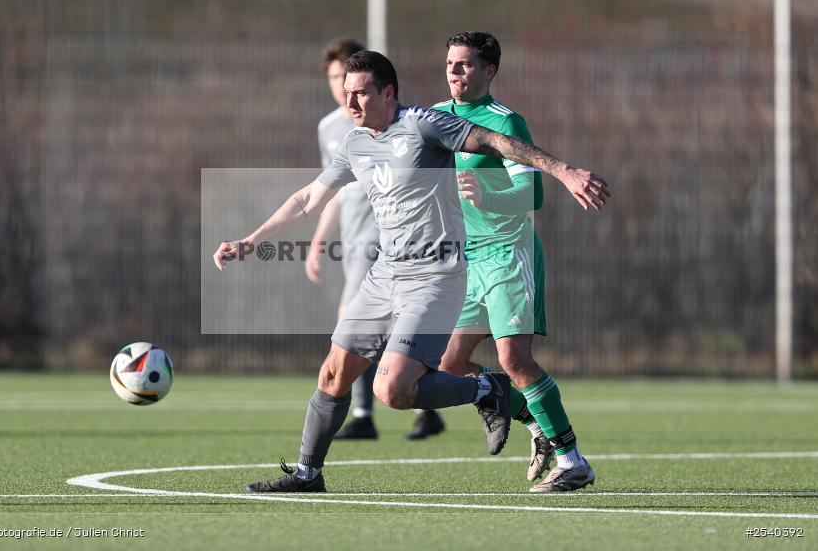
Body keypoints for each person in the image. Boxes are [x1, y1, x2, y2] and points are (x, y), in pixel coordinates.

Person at [213, 50, 608, 493]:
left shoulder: (423, 124)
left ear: (388, 93)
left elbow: (495, 141)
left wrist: (563, 171)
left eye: (361, 93)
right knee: (333, 374)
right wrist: (251, 239)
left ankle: (488, 390)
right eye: (347, 93)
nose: (351, 103)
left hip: (435, 276)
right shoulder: (355, 143)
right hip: (385, 274)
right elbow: (307, 199)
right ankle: (308, 474)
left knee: (394, 390)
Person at [429, 31, 593, 492]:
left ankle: (573, 460)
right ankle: (533, 421)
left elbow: (531, 193)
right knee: (449, 366)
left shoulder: (506, 122)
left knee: (514, 358)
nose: (454, 71)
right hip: (466, 259)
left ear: (489, 71)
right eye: (450, 63)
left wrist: (488, 194)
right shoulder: (436, 117)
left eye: (464, 64)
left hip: (507, 252)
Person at [308, 39, 445, 441]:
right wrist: (320, 238)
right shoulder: (331, 129)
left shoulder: (399, 125)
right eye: (335, 79)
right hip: (351, 235)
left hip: (382, 237)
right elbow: (332, 190)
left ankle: (364, 415)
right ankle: (423, 405)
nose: (342, 89)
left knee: (350, 323)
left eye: (348, 79)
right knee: (382, 330)